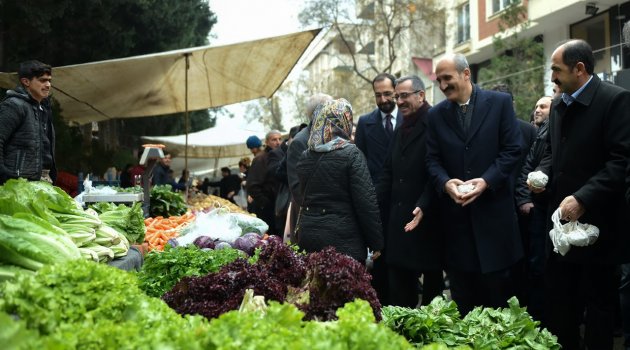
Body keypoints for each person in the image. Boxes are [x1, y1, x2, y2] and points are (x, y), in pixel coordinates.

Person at [533, 39, 630, 349]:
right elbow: (552, 151)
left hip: (600, 227)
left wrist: (583, 198)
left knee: (599, 309)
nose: (552, 78)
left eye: (556, 70)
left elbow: (621, 162)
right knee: (561, 307)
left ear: (579, 69)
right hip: (561, 228)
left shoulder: (616, 101)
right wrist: (543, 173)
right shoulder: (558, 105)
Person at [426, 53, 523, 316]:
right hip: (456, 229)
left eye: (447, 78)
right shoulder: (435, 115)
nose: (442, 85)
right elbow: (431, 160)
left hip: (495, 225)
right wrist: (446, 183)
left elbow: (514, 149)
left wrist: (486, 181)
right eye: (439, 80)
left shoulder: (500, 103)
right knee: (464, 305)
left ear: (466, 74)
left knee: (499, 306)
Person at [376, 75, 443, 308]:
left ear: (421, 95)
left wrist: (424, 204)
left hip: (428, 218)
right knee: (399, 291)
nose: (399, 102)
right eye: (397, 97)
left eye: (404, 96)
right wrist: (372, 204)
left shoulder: (436, 120)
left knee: (432, 293)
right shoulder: (401, 126)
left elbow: (439, 170)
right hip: (398, 221)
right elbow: (388, 172)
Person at [295, 98, 383, 263]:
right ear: (345, 122)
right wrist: (375, 242)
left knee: (315, 287)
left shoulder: (305, 156)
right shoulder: (351, 154)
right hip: (343, 237)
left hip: (309, 234)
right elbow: (366, 202)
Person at [513, 95, 552, 322]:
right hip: (531, 211)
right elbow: (526, 170)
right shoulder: (535, 136)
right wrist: (523, 199)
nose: (537, 110)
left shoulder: (548, 134)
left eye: (543, 106)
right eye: (536, 106)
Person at [0, 60, 56, 184]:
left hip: (43, 181)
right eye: (42, 80)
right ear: (26, 82)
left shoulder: (44, 109)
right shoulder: (14, 105)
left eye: (49, 80)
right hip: (19, 183)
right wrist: (4, 175)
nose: (48, 85)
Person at [286, 93, 333, 240]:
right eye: (330, 109)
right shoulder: (300, 142)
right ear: (317, 113)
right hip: (311, 219)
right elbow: (298, 188)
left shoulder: (331, 135)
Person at [354, 73, 402, 186]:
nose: (383, 100)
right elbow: (360, 162)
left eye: (387, 94)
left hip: (404, 192)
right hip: (376, 192)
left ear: (396, 92)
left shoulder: (410, 118)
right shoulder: (364, 122)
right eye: (378, 95)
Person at [246, 130, 282, 235]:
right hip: (268, 209)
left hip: (280, 206)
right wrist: (266, 204)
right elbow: (252, 186)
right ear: (266, 142)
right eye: (274, 139)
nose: (278, 142)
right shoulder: (261, 159)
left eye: (280, 139)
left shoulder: (282, 155)